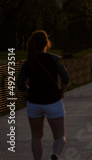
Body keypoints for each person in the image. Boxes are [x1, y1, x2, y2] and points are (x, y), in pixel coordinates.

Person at [17, 30, 70, 160]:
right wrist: (61, 91)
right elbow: (65, 78)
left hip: (34, 102)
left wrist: (28, 90)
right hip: (53, 100)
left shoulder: (28, 63)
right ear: (47, 43)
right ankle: (55, 154)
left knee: (36, 136)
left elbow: (20, 84)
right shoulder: (55, 59)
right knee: (60, 137)